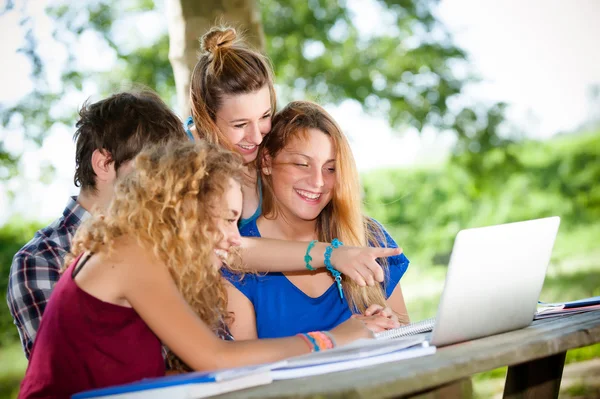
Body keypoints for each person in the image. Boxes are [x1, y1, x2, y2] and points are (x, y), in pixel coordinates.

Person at [7, 89, 400, 359]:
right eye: (156, 172)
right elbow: (216, 357)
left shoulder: (158, 246)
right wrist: (330, 339)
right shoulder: (86, 256)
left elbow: (218, 348)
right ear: (104, 163)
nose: (174, 192)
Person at [18, 141, 372, 399]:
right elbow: (215, 358)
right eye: (229, 220)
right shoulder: (131, 253)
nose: (236, 239)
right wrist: (332, 340)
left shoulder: (144, 255)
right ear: (187, 213)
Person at [6, 90, 188, 359]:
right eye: (154, 170)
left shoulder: (168, 242)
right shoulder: (41, 260)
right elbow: (76, 374)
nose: (165, 188)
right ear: (104, 163)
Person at [225, 101, 411, 340]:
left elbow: (408, 340)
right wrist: (338, 339)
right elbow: (247, 371)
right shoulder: (236, 262)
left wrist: (393, 328)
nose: (318, 182)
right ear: (266, 162)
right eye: (302, 164)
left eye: (330, 169)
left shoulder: (369, 237)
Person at [186, 25, 274, 228]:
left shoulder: (274, 151)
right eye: (240, 124)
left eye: (264, 116)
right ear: (206, 117)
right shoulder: (178, 165)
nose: (257, 138)